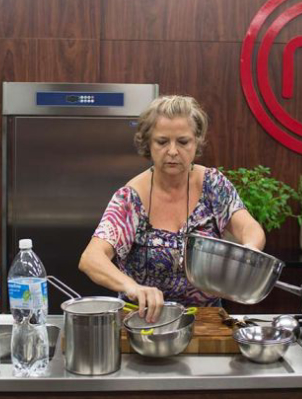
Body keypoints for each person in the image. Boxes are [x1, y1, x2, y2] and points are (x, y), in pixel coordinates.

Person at [78, 95, 266, 323]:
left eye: (183, 142)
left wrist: (248, 251)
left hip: (206, 322)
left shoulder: (213, 185)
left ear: (196, 141)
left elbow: (248, 227)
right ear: (148, 143)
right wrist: (134, 288)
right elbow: (91, 258)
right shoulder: (130, 199)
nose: (173, 151)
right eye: (162, 141)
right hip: (144, 322)